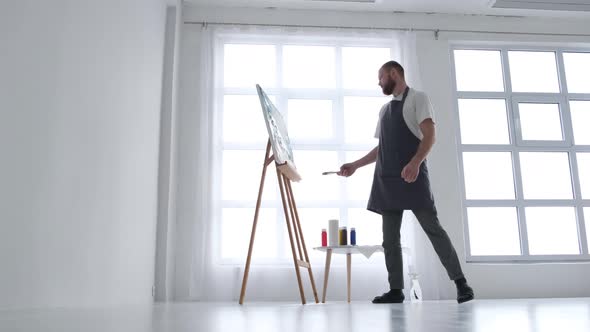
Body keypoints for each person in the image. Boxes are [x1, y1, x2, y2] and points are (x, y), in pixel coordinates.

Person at [338, 61, 474, 304]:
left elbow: (430, 136)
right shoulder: (384, 110)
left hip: (413, 176)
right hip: (388, 180)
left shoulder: (418, 99)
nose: (379, 82)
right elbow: (383, 148)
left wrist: (416, 162)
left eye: (380, 77)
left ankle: (461, 283)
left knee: (433, 229)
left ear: (393, 73)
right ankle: (396, 290)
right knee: (389, 239)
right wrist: (355, 165)